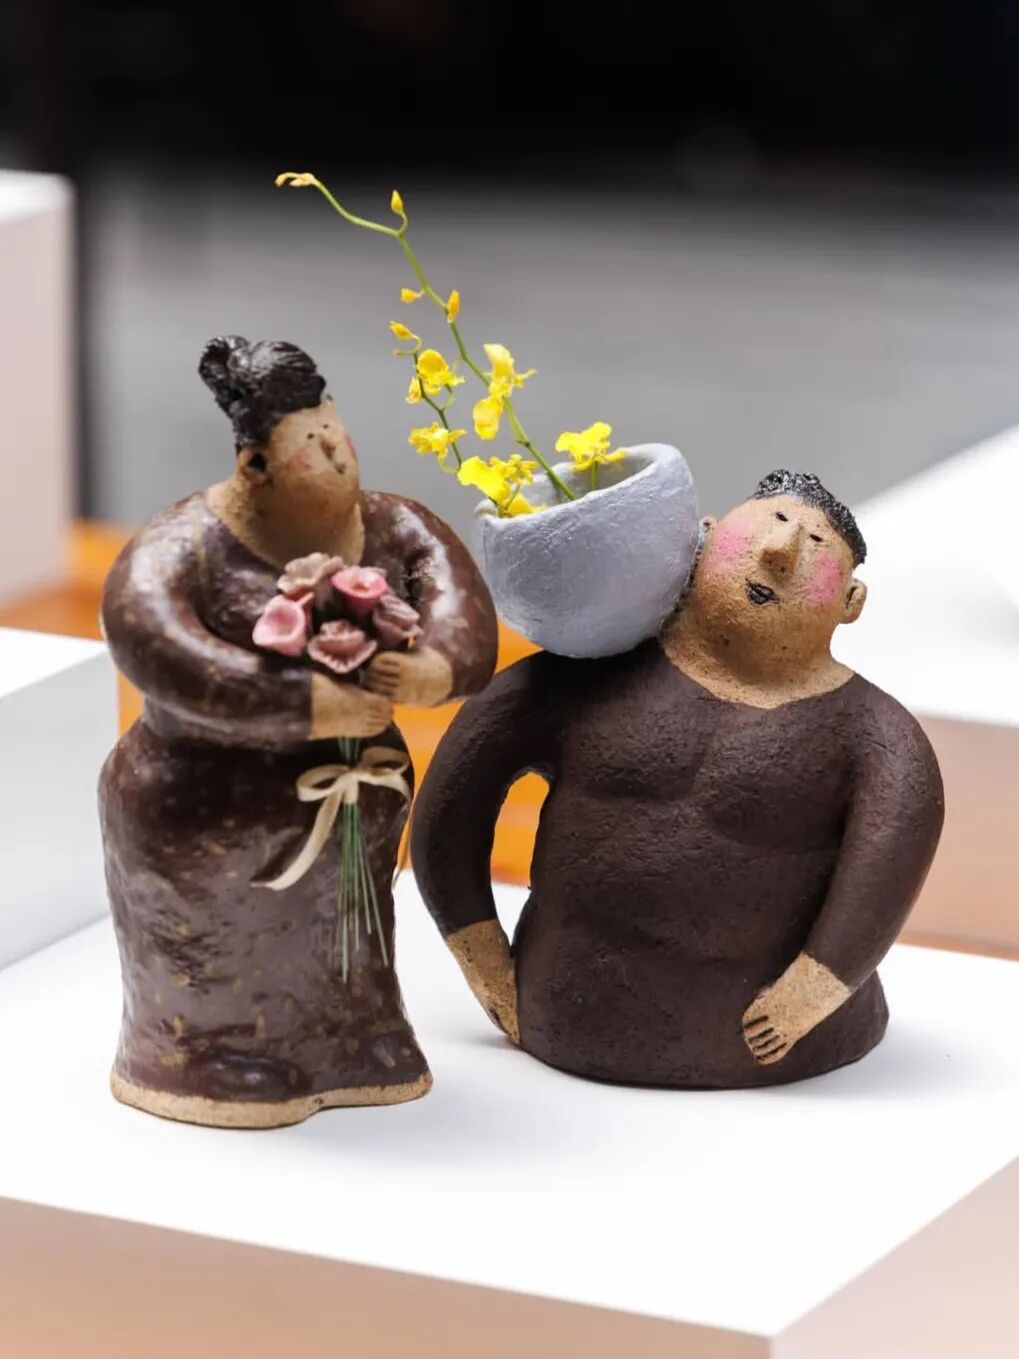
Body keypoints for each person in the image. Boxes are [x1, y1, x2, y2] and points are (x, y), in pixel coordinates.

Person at [411, 470, 944, 1088]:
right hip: (565, 1005)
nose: (778, 553)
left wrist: (817, 987)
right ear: (704, 538)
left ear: (851, 601)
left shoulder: (873, 736)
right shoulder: (584, 683)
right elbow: (452, 804)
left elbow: (889, 864)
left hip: (787, 1041)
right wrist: (480, 955)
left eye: (816, 547)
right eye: (768, 525)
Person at [100, 336, 497, 1126]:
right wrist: (305, 704)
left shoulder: (395, 524)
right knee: (223, 941)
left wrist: (432, 670)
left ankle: (356, 1039)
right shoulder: (181, 546)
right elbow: (153, 639)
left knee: (348, 933)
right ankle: (204, 1052)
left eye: (336, 434)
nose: (338, 455)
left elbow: (463, 612)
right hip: (207, 807)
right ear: (255, 465)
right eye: (312, 445)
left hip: (355, 799)